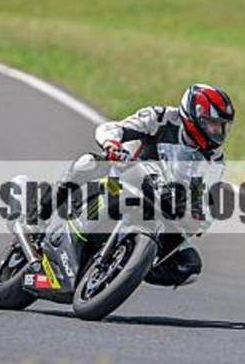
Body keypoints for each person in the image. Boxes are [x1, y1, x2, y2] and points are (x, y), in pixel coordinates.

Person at [92, 83, 235, 287]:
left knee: (189, 266)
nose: (217, 131)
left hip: (163, 208)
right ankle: (45, 211)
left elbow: (206, 200)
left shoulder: (214, 158)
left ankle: (132, 266)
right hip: (125, 181)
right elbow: (111, 128)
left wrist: (196, 217)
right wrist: (112, 144)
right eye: (212, 123)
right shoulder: (161, 118)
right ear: (194, 116)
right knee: (86, 163)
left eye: (221, 125)